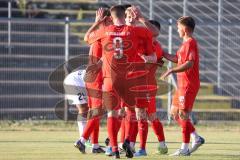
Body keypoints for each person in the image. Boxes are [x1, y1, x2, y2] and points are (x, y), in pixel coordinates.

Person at [83, 5, 155, 159]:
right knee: (130, 112)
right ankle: (128, 141)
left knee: (112, 114)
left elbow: (86, 38)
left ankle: (114, 148)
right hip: (129, 79)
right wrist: (141, 18)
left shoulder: (104, 31)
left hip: (110, 80)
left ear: (111, 16)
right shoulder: (133, 31)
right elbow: (154, 32)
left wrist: (97, 22)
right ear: (124, 15)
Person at [160, 16, 205, 156]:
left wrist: (172, 70)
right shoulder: (184, 44)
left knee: (183, 114)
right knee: (174, 113)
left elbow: (190, 63)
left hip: (188, 84)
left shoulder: (191, 42)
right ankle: (196, 138)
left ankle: (184, 148)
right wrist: (162, 54)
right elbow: (178, 59)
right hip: (182, 84)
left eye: (178, 27)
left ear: (185, 29)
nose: (177, 29)